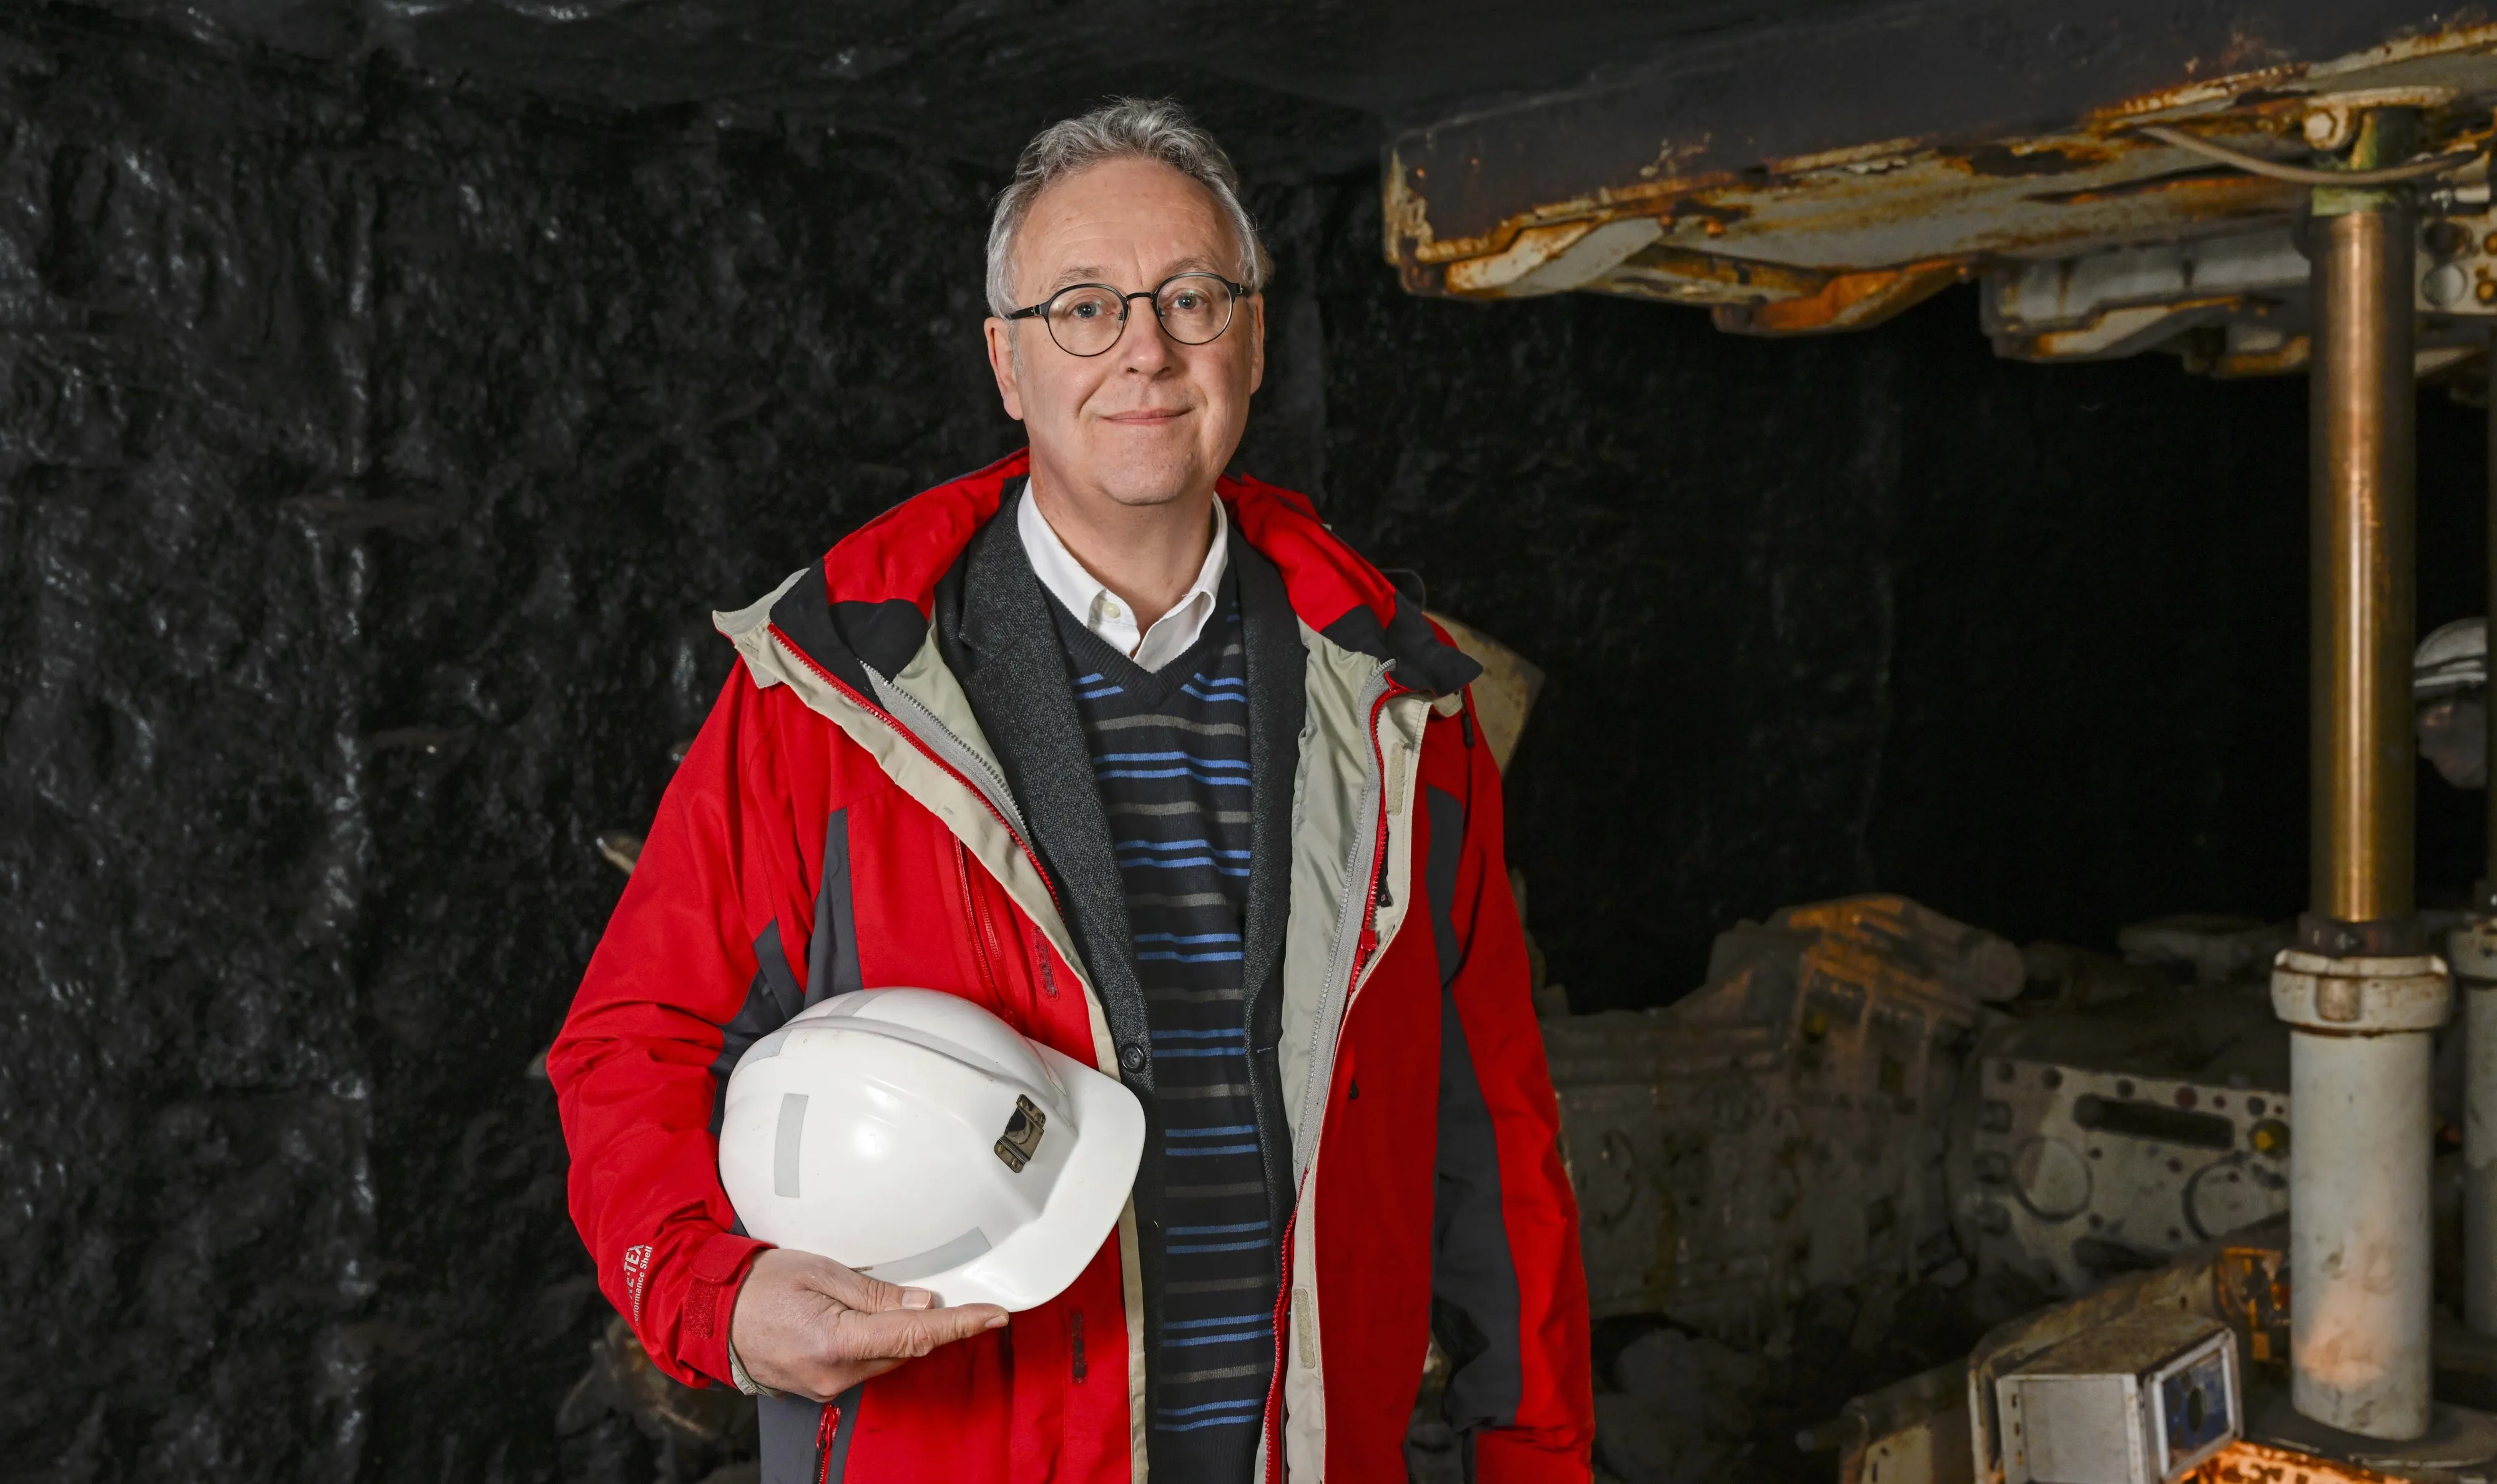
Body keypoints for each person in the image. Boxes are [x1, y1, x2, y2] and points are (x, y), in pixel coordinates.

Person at [549, 98, 1593, 1484]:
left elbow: (1494, 1132)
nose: (1145, 352)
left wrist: (1534, 1456)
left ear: (1254, 335)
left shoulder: (1400, 704)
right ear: (1007, 361)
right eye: (1083, 308)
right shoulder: (828, 701)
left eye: (1189, 299)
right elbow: (631, 1042)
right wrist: (714, 1299)